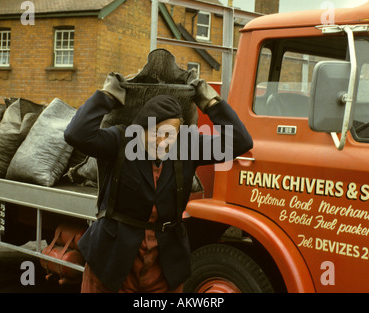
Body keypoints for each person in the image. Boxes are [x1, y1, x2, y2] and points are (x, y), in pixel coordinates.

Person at [64, 72, 253, 293]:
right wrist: (107, 95)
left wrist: (211, 103)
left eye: (169, 135)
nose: (162, 142)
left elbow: (240, 141)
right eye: (155, 133)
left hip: (163, 267)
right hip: (113, 262)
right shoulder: (121, 141)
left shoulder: (187, 146)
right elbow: (76, 134)